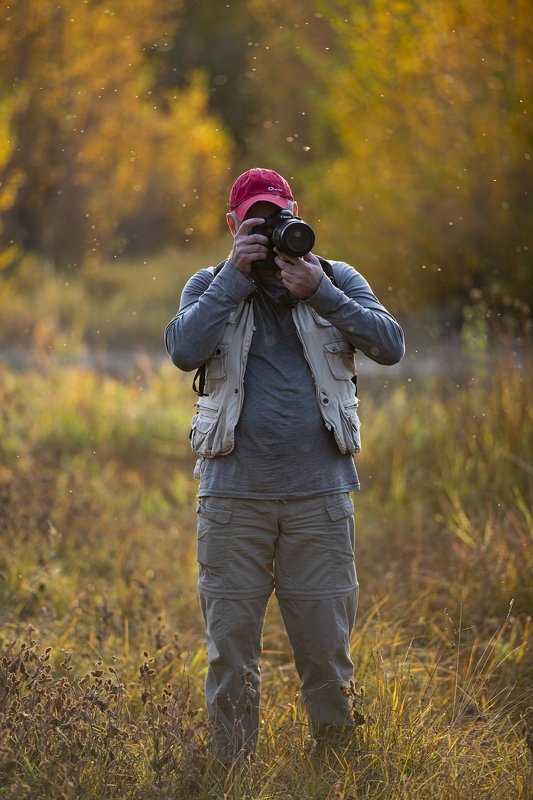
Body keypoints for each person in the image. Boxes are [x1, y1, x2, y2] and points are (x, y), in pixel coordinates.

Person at [165, 167, 404, 762]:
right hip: (231, 499)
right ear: (232, 227)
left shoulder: (335, 278)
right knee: (231, 651)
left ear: (297, 216)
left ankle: (336, 764)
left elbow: (390, 345)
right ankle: (233, 768)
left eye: (279, 219)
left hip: (318, 497)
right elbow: (182, 349)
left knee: (326, 648)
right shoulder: (210, 283)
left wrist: (319, 291)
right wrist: (233, 278)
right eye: (257, 223)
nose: (271, 235)